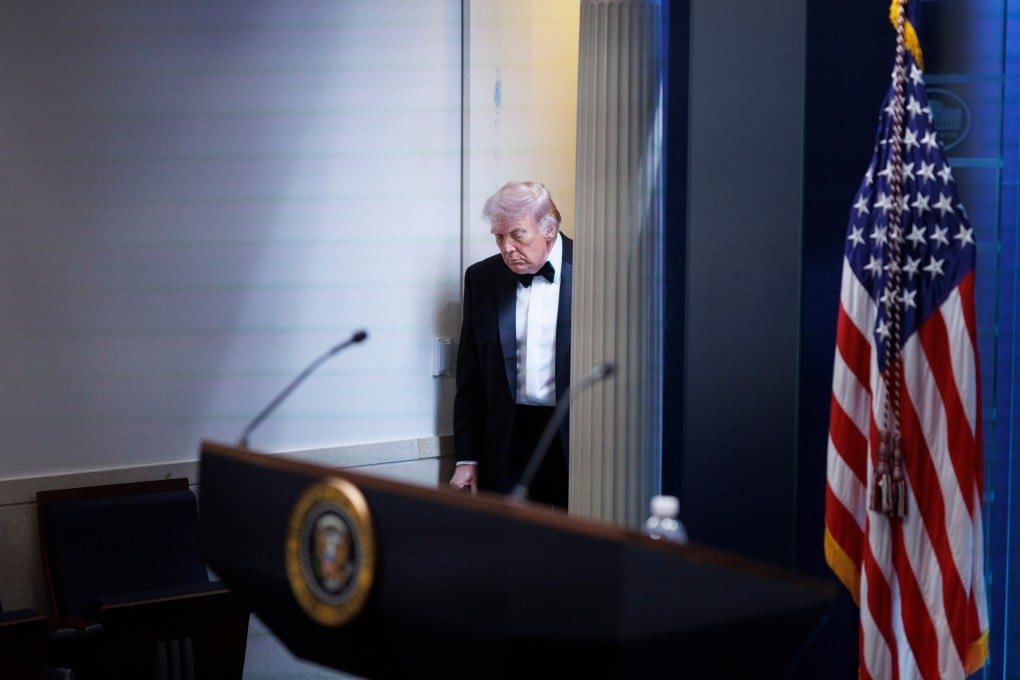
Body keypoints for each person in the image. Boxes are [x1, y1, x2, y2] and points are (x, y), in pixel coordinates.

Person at [449, 180, 572, 508]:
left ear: (549, 228)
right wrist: (466, 457)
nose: (506, 248)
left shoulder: (596, 269)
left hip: (576, 438)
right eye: (498, 236)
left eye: (517, 235)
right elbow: (470, 377)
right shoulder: (481, 279)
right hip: (505, 442)